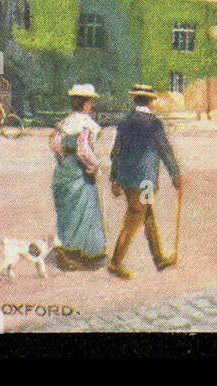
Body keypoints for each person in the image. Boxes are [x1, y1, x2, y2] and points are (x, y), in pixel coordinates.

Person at [108, 84, 182, 279]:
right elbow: (165, 150)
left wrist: (114, 179)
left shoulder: (125, 123)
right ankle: (115, 263)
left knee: (147, 215)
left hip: (127, 179)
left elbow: (116, 152)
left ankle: (158, 257)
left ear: (135, 100)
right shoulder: (154, 124)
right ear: (150, 102)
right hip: (146, 180)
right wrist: (175, 175)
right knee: (134, 218)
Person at [49, 84, 107, 271]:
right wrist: (95, 166)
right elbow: (84, 150)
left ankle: (67, 250)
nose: (90, 105)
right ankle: (87, 255)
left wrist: (64, 161)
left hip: (64, 171)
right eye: (90, 101)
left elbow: (55, 145)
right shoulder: (85, 124)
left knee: (67, 212)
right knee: (86, 212)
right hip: (79, 174)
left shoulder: (64, 123)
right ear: (85, 103)